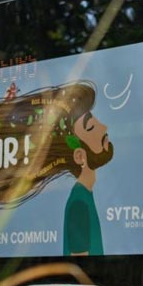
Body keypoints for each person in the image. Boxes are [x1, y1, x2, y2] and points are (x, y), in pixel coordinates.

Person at [61, 98, 113, 256]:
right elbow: (81, 271)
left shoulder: (84, 196)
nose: (104, 128)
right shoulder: (79, 203)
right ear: (79, 156)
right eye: (92, 127)